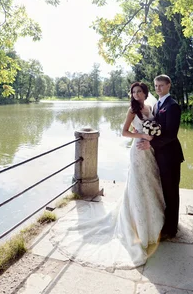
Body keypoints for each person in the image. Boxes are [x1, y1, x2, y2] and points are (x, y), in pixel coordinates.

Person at [48, 82, 165, 269]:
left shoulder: (150, 107)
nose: (136, 94)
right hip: (137, 151)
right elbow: (124, 132)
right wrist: (143, 136)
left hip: (148, 152)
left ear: (145, 93)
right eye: (133, 92)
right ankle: (136, 225)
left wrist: (150, 137)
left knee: (149, 182)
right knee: (137, 184)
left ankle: (152, 223)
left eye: (139, 91)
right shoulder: (132, 110)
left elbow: (154, 129)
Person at [137, 74, 184, 238]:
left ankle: (171, 229)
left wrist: (151, 143)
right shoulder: (157, 104)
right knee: (164, 190)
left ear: (169, 85)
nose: (158, 88)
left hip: (170, 156)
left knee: (171, 191)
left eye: (161, 85)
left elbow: (171, 134)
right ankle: (166, 222)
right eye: (156, 86)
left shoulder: (172, 106)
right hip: (160, 155)